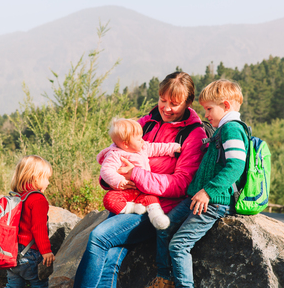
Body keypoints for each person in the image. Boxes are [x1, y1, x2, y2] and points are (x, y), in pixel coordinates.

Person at [74, 71, 207, 288]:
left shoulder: (193, 134)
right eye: (163, 100)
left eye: (174, 103)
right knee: (110, 256)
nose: (166, 108)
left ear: (188, 102)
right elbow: (116, 153)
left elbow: (182, 184)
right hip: (128, 199)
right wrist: (113, 181)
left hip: (158, 208)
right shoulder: (145, 123)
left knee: (99, 237)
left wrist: (135, 175)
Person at [148, 79, 248, 288]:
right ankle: (164, 278)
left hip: (213, 202)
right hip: (197, 197)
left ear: (226, 105)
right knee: (163, 226)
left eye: (209, 109)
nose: (206, 115)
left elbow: (236, 166)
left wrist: (208, 192)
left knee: (179, 245)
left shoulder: (232, 129)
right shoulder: (222, 129)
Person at [98, 117, 182, 229]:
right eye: (138, 139)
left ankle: (157, 217)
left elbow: (157, 148)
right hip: (125, 191)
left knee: (152, 200)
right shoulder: (115, 154)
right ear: (126, 144)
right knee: (109, 200)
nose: (142, 141)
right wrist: (119, 181)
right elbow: (106, 170)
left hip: (142, 189)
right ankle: (131, 208)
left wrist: (173, 148)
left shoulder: (142, 148)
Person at [6, 155, 55, 288]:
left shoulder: (17, 197)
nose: (48, 183)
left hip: (12, 251)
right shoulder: (38, 200)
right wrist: (46, 251)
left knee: (14, 285)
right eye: (47, 178)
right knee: (39, 284)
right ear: (36, 177)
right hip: (30, 253)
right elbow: (39, 229)